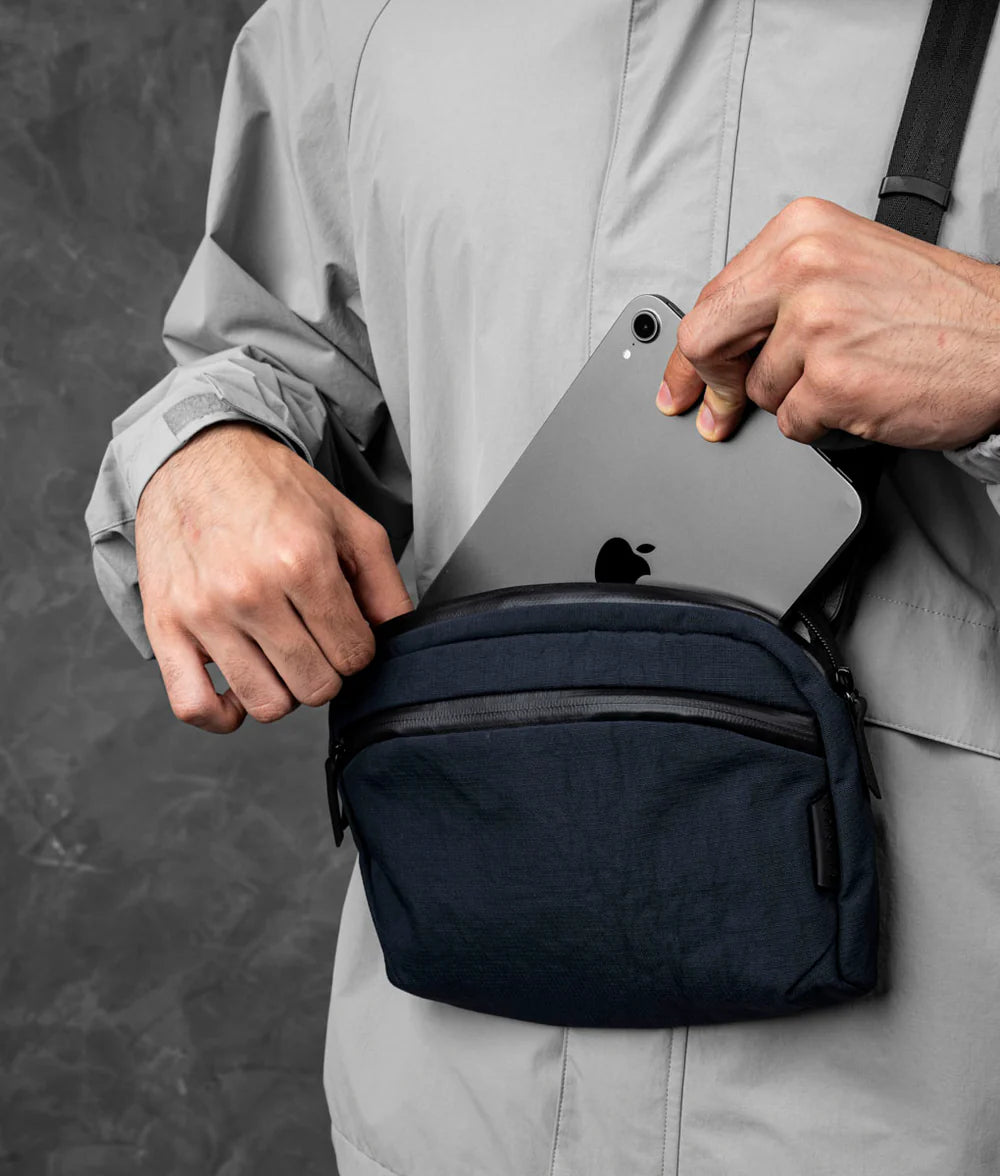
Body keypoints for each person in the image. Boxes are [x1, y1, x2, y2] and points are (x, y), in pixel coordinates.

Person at [85, 2, 1000, 1173]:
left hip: (920, 1121)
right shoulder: (353, 22)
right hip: (442, 1120)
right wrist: (202, 451)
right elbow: (269, 353)